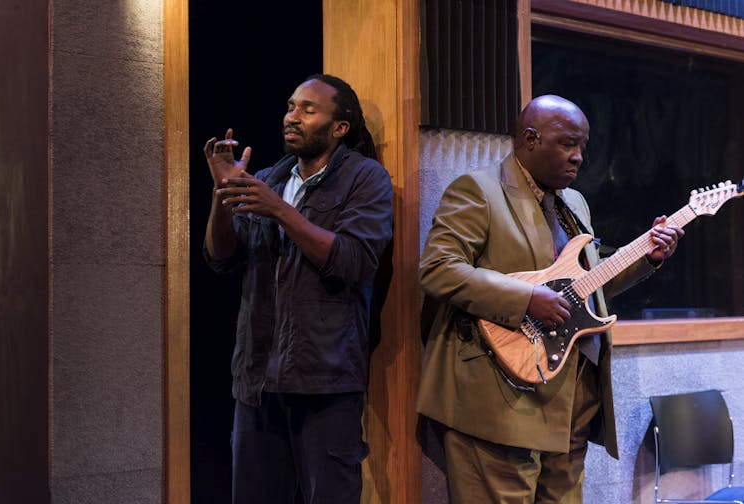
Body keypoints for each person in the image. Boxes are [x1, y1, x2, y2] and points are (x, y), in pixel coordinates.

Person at [416, 95, 684, 503]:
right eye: (567, 143)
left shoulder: (574, 202)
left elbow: (586, 288)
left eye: (583, 147)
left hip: (572, 402)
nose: (578, 157)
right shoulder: (478, 190)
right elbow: (438, 269)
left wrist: (648, 257)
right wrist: (526, 299)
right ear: (529, 139)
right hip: (499, 401)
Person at [203, 74, 393, 504]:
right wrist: (223, 192)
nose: (292, 117)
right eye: (291, 107)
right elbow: (221, 258)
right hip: (256, 379)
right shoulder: (271, 178)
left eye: (308, 110)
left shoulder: (365, 179)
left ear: (339, 126)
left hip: (324, 382)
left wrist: (280, 211)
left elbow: (353, 260)